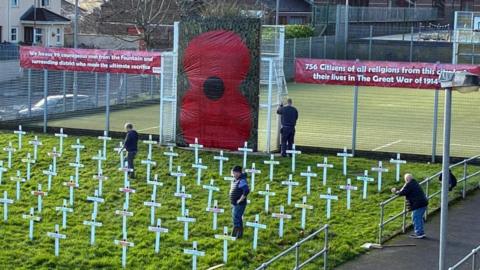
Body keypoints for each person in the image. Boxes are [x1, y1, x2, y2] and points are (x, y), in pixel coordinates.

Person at [391, 173, 428, 239]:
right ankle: (420, 232)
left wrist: (395, 191)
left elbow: (402, 192)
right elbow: (405, 189)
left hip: (418, 204)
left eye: (405, 180)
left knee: (416, 217)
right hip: (422, 203)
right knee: (418, 218)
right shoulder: (414, 183)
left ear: (407, 179)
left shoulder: (409, 184)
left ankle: (419, 233)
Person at [229, 165, 250, 238]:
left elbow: (246, 190)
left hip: (239, 204)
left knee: (236, 219)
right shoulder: (237, 179)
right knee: (238, 218)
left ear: (238, 173)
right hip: (236, 204)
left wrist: (240, 199)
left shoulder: (242, 180)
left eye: (234, 173)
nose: (233, 174)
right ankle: (239, 235)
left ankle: (234, 236)